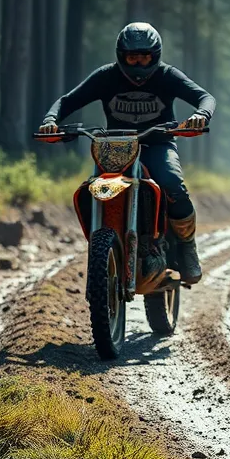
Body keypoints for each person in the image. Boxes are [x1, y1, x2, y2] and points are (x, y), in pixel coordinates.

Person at [37, 22, 214, 284]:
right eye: (133, 57)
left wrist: (201, 115)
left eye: (145, 58)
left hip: (158, 144)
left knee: (171, 183)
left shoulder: (167, 76)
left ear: (156, 56)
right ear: (121, 55)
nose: (139, 65)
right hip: (114, 147)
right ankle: (106, 237)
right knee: (91, 188)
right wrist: (51, 119)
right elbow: (67, 101)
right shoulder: (106, 76)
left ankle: (187, 247)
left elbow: (204, 97)